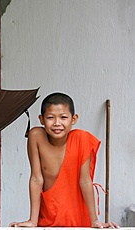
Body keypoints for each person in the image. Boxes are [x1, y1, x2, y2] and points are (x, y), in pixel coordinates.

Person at [9, 92, 119, 228]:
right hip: (48, 216)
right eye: (50, 117)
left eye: (63, 117)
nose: (57, 123)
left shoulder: (82, 139)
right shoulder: (36, 136)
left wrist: (95, 221)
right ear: (41, 119)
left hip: (77, 216)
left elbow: (85, 181)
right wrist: (33, 221)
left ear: (74, 119)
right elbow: (36, 179)